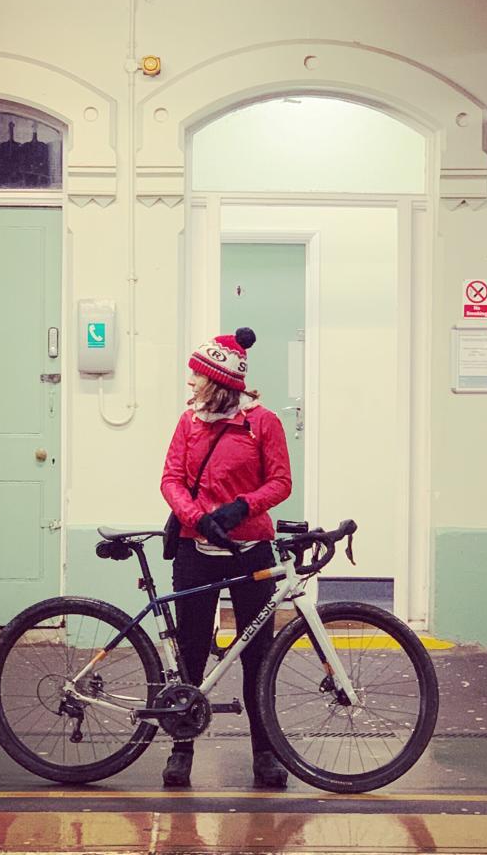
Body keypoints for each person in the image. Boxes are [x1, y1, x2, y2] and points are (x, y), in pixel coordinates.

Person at [159, 326, 292, 789]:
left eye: (196, 375)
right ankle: (182, 749)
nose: (190, 381)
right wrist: (198, 517)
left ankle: (265, 752)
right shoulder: (189, 422)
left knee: (258, 656)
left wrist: (241, 508)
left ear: (217, 381)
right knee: (192, 651)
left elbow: (280, 482)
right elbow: (171, 479)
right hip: (196, 550)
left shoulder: (263, 423)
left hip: (250, 553)